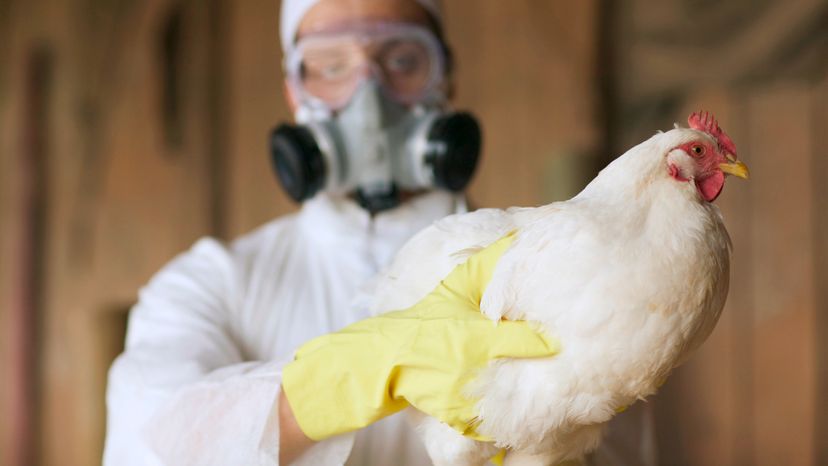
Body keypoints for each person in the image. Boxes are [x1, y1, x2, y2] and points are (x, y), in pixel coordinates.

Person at [103, 0, 656, 464]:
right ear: (295, 93)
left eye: (402, 59)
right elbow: (147, 441)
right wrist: (353, 374)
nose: (369, 98)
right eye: (329, 65)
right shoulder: (207, 286)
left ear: (447, 77)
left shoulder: (564, 276)